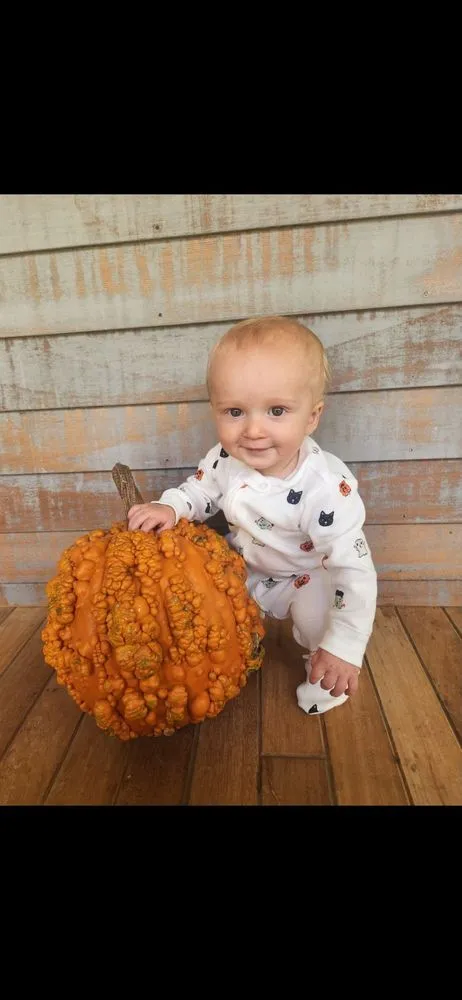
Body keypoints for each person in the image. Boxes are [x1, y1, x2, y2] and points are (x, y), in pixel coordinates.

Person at [127, 315, 377, 715]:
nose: (254, 430)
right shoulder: (226, 458)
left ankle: (331, 676)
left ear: (312, 416)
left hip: (308, 573)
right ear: (215, 410)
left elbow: (354, 568)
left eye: (277, 411)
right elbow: (200, 490)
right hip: (243, 565)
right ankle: (229, 658)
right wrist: (172, 506)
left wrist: (344, 644)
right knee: (212, 614)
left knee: (319, 622)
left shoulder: (327, 488)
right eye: (235, 412)